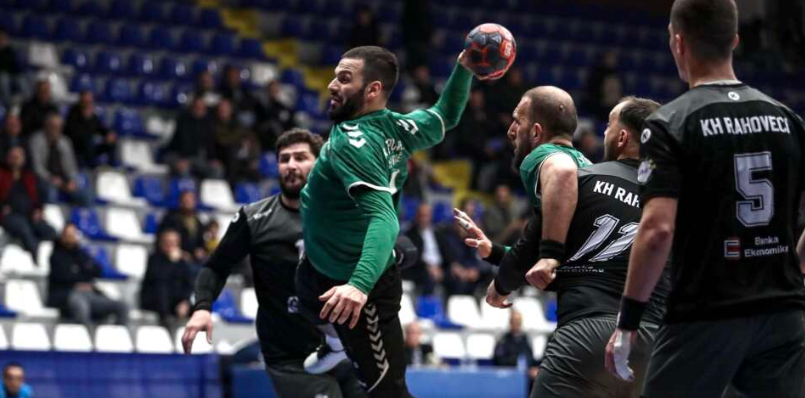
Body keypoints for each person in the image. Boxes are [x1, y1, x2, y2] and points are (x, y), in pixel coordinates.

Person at [605, 1, 805, 398]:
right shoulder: (788, 119)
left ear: (678, 43)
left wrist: (628, 322)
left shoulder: (671, 124)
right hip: (783, 315)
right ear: (734, 39)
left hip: (705, 315)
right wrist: (797, 268)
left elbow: (658, 230)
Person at [294, 45, 487, 398]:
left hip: (357, 286)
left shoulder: (353, 143)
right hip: (321, 261)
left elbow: (383, 218)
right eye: (335, 76)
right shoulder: (395, 126)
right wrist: (463, 68)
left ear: (373, 90)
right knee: (304, 296)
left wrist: (360, 286)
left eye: (344, 79)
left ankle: (355, 316)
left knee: (388, 393)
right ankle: (336, 342)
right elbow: (445, 116)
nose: (332, 86)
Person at [461, 97, 670, 398]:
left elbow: (532, 253)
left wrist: (500, 286)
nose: (604, 134)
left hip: (587, 334)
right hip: (653, 341)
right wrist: (495, 252)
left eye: (609, 126)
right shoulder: (672, 202)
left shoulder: (580, 181)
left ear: (622, 137)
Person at [182, 129, 365, 398]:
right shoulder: (254, 218)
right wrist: (202, 307)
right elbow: (215, 266)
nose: (291, 165)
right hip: (292, 357)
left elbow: (392, 249)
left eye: (300, 157)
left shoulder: (346, 212)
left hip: (348, 348)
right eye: (284, 159)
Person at [47, 223, 128, 328]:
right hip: (66, 294)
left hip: (89, 293)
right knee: (81, 306)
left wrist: (79, 275)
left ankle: (116, 337)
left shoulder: (80, 253)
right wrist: (81, 278)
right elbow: (64, 276)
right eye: (68, 235)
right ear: (62, 236)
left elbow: (97, 270)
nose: (70, 238)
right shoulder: (56, 256)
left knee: (122, 306)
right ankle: (87, 339)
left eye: (73, 235)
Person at [0, 146, 57, 258]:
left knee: (50, 231)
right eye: (13, 156)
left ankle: (53, 260)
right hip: (9, 215)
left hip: (29, 214)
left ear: (24, 159)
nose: (16, 159)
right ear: (8, 158)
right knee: (24, 228)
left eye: (19, 156)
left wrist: (38, 210)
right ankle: (37, 259)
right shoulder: (1, 174)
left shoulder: (29, 176)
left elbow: (37, 197)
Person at [28, 113, 92, 206]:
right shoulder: (36, 140)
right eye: (53, 127)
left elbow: (71, 167)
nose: (55, 130)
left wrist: (72, 181)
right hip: (45, 179)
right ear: (46, 126)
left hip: (64, 179)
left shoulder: (65, 142)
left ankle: (76, 220)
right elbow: (37, 167)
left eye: (59, 127)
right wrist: (51, 178)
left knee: (86, 194)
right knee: (51, 193)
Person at [141, 229, 193, 330]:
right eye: (167, 242)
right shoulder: (154, 259)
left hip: (176, 301)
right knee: (162, 289)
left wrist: (185, 301)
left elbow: (188, 284)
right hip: (155, 299)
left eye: (173, 242)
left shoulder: (182, 261)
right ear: (161, 243)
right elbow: (159, 279)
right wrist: (172, 263)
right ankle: (167, 322)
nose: (170, 245)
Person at [163, 96, 223, 179]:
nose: (199, 110)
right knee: (183, 169)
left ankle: (207, 191)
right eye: (197, 107)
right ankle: (187, 191)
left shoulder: (208, 124)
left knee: (217, 169)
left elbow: (209, 145)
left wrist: (212, 159)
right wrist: (182, 160)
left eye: (202, 108)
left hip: (196, 158)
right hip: (177, 154)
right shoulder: (183, 120)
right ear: (192, 108)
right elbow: (183, 143)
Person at [64, 90, 117, 167]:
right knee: (86, 139)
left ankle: (111, 167)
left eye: (90, 101)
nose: (88, 104)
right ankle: (91, 167)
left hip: (90, 149)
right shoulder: (73, 113)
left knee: (112, 141)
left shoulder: (92, 115)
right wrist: (86, 118)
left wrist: (109, 133)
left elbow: (101, 128)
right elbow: (76, 133)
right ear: (81, 101)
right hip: (76, 149)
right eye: (85, 101)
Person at [402, 203, 444, 296]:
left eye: (427, 216)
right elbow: (414, 256)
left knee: (456, 278)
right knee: (428, 278)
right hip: (420, 268)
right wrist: (429, 267)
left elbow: (447, 253)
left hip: (439, 268)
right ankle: (427, 305)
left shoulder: (438, 233)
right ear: (417, 216)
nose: (424, 219)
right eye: (422, 216)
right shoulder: (411, 234)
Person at [158, 190, 208, 268]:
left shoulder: (198, 221)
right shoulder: (171, 218)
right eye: (186, 200)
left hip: (194, 259)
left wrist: (201, 250)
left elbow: (201, 241)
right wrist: (180, 253)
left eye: (191, 200)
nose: (188, 202)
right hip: (174, 256)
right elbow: (163, 239)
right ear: (180, 202)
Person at [492, 310, 539, 381]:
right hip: (509, 375)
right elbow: (499, 361)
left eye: (519, 322)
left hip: (525, 375)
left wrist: (534, 368)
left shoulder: (525, 339)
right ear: (510, 322)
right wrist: (515, 362)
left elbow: (530, 358)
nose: (517, 324)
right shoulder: (503, 340)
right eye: (515, 321)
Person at [0, 29, 19, 107]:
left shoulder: (10, 51)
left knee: (23, 79)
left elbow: (14, 65)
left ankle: (26, 101)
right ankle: (8, 105)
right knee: (4, 78)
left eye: (3, 38)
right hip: (3, 76)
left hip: (11, 74)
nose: (1, 41)